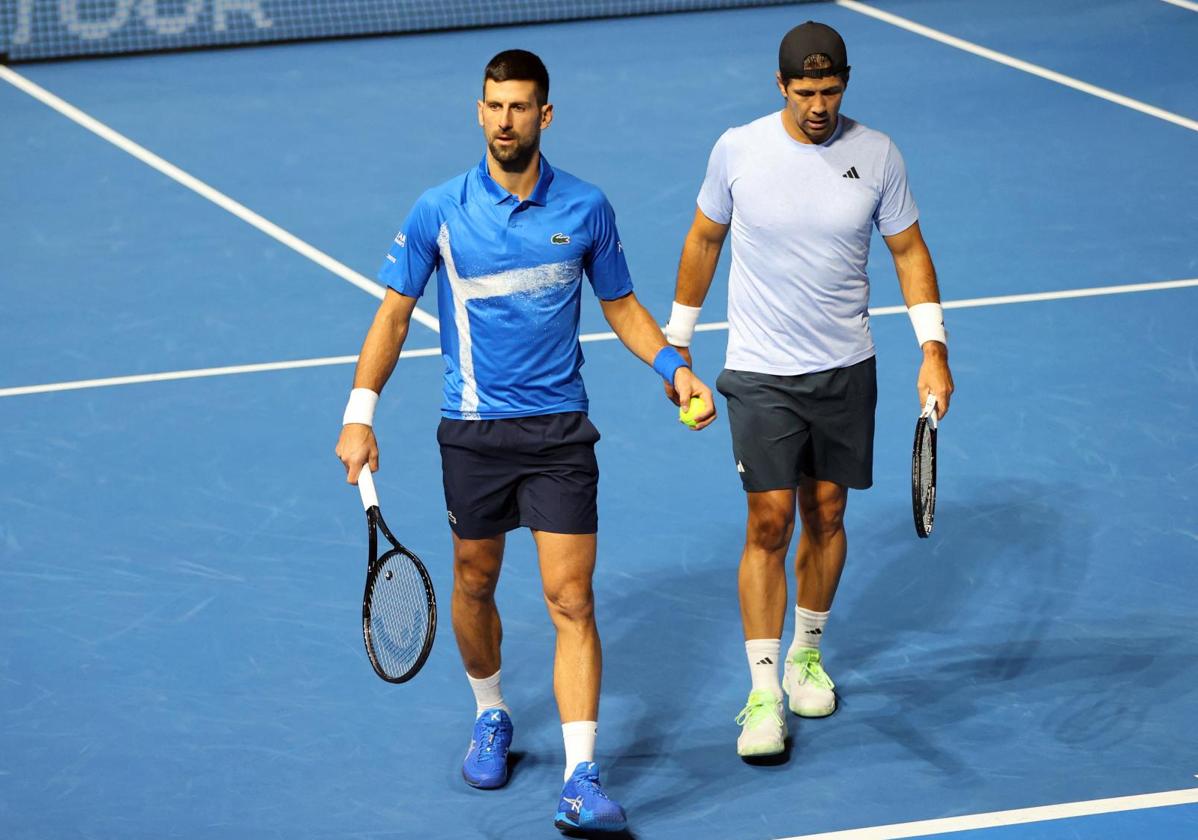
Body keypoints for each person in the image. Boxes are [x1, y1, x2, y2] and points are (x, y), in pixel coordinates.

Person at [335, 49, 714, 832]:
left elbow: (623, 306)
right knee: (474, 582)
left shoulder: (585, 208)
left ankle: (581, 776)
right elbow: (395, 314)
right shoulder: (437, 210)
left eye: (519, 107)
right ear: (480, 112)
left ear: (545, 115)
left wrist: (674, 368)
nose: (504, 120)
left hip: (560, 432)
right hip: (472, 434)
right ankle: (491, 712)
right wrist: (360, 411)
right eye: (492, 106)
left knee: (572, 599)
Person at [662, 21, 955, 758]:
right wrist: (676, 341)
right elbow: (703, 240)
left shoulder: (878, 154)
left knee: (826, 514)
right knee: (769, 522)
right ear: (781, 86)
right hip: (761, 371)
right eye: (805, 92)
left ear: (845, 83)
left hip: (845, 369)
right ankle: (762, 694)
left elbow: (909, 250)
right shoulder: (739, 150)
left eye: (830, 91)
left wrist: (933, 347)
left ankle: (805, 656)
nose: (818, 105)